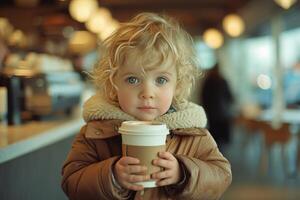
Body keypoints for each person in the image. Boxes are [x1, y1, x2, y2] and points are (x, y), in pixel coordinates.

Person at [61, 12, 232, 200]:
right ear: (113, 84)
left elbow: (221, 176)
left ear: (177, 86)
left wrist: (182, 173)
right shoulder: (95, 132)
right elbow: (71, 182)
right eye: (133, 79)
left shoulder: (192, 134)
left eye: (161, 79)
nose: (147, 92)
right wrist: (111, 176)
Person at [201, 64, 234, 153]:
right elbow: (230, 97)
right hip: (222, 114)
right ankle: (220, 156)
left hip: (212, 114)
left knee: (214, 137)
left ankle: (214, 153)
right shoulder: (223, 81)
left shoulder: (207, 81)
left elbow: (203, 97)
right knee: (222, 139)